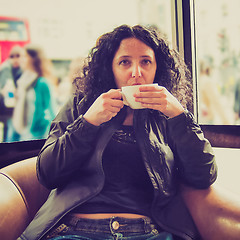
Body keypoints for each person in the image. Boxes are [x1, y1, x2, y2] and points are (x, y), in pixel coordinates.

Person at [18, 25, 217, 240]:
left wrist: (179, 115)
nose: (136, 73)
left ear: (157, 68)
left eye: (145, 61)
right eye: (125, 62)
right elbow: (47, 173)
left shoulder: (168, 116)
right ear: (110, 68)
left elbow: (204, 176)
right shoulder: (80, 105)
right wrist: (88, 122)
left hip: (146, 232)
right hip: (75, 230)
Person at [12, 44, 56, 141]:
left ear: (34, 59)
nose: (21, 60)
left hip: (38, 135)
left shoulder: (42, 83)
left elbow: (52, 111)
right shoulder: (23, 82)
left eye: (24, 56)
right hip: (24, 134)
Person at [0, 45, 23, 141]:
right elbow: (7, 88)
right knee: (9, 130)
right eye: (12, 56)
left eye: (18, 56)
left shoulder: (20, 69)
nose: (15, 59)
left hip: (12, 108)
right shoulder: (6, 68)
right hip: (7, 108)